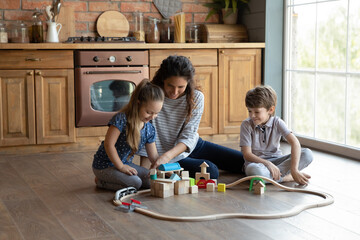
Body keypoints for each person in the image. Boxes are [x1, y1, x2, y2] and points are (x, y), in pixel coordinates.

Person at [139, 55, 244, 179]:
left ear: (188, 83)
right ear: (163, 80)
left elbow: (188, 136)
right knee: (211, 171)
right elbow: (144, 135)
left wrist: (167, 156)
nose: (174, 92)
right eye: (170, 86)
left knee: (243, 162)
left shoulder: (196, 97)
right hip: (162, 155)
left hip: (190, 146)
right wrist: (151, 166)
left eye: (180, 87)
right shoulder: (152, 98)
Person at [92, 79, 164, 190]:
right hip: (104, 166)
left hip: (125, 164)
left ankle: (116, 178)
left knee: (151, 181)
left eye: (156, 113)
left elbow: (153, 157)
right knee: (135, 183)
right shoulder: (121, 119)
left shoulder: (149, 129)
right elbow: (108, 144)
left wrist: (161, 168)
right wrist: (121, 167)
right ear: (138, 103)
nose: (152, 117)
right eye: (149, 112)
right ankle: (101, 181)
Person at [240, 85, 313, 185]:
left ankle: (268, 178)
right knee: (254, 170)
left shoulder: (278, 122)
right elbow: (247, 155)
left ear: (270, 110)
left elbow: (295, 143)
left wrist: (294, 169)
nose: (252, 115)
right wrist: (267, 163)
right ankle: (285, 178)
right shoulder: (246, 125)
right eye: (249, 111)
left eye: (257, 112)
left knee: (307, 154)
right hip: (257, 165)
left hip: (277, 161)